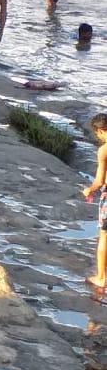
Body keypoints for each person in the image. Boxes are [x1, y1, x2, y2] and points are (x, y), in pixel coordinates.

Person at [82, 113, 107, 290]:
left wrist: (89, 190)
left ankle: (101, 278)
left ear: (100, 131)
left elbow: (99, 181)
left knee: (104, 237)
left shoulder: (104, 150)